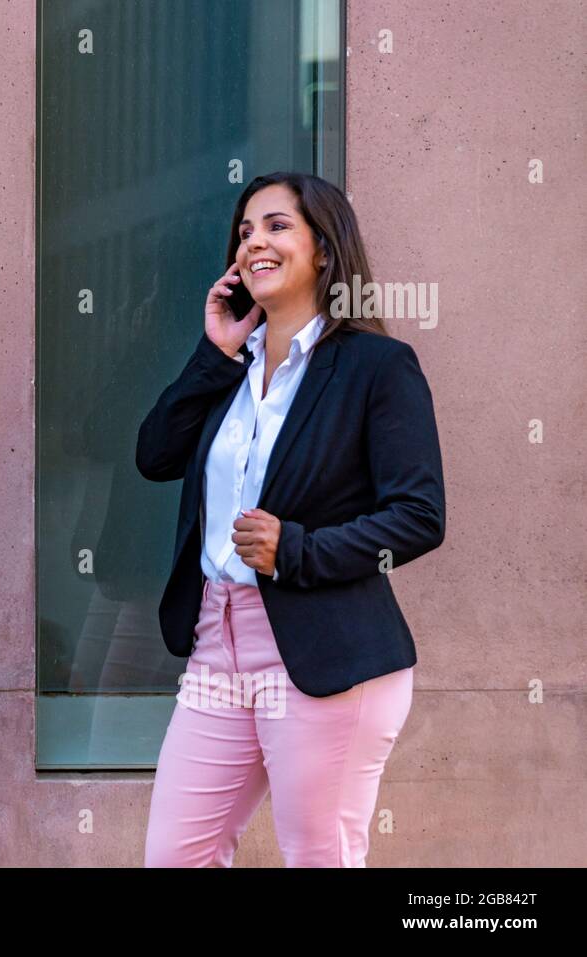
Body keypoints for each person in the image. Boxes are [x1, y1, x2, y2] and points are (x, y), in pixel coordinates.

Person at [136, 171, 445, 867]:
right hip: (216, 648)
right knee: (174, 856)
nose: (254, 243)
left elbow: (420, 515)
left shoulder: (376, 367)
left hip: (325, 654)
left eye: (277, 226)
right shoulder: (231, 369)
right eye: (245, 231)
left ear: (325, 250)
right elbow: (153, 456)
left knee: (319, 856)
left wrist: (296, 549)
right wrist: (212, 352)